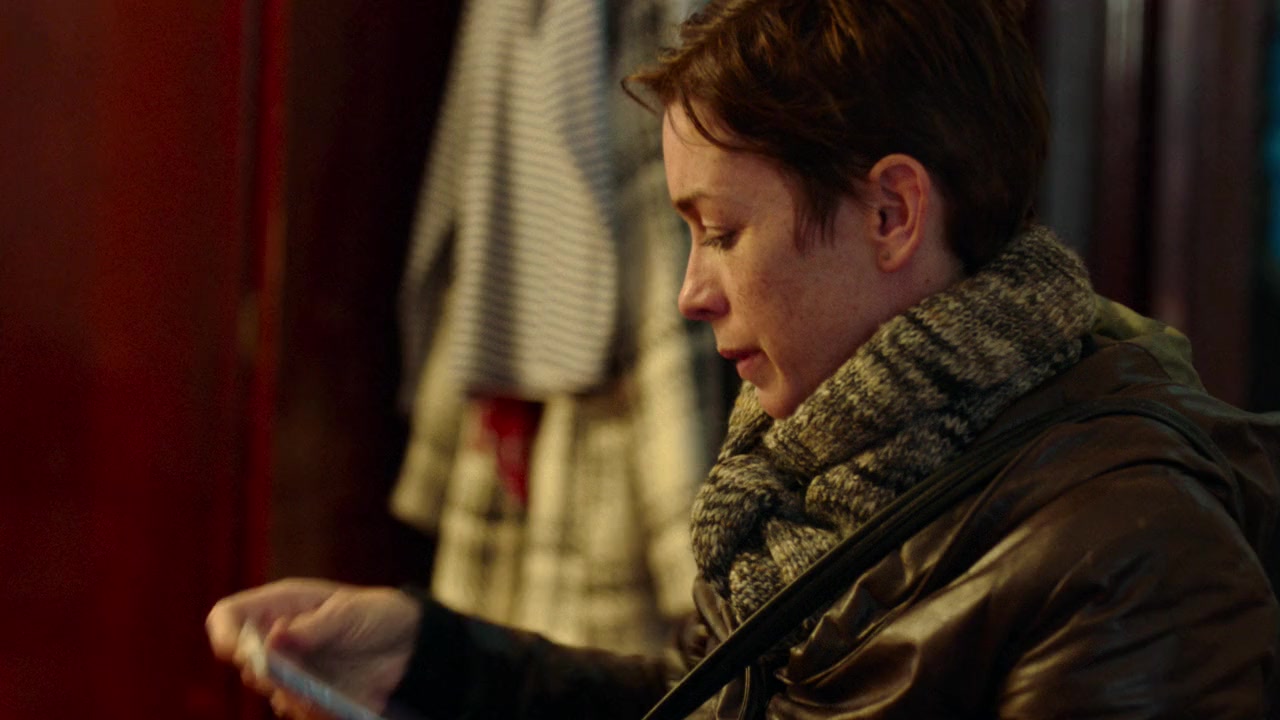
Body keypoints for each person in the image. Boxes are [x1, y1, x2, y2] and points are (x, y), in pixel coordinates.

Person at [206, 0, 1280, 717]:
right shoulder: (829, 454)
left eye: (719, 231)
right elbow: (714, 700)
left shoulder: (1131, 553)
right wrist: (431, 664)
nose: (689, 292)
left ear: (892, 214)